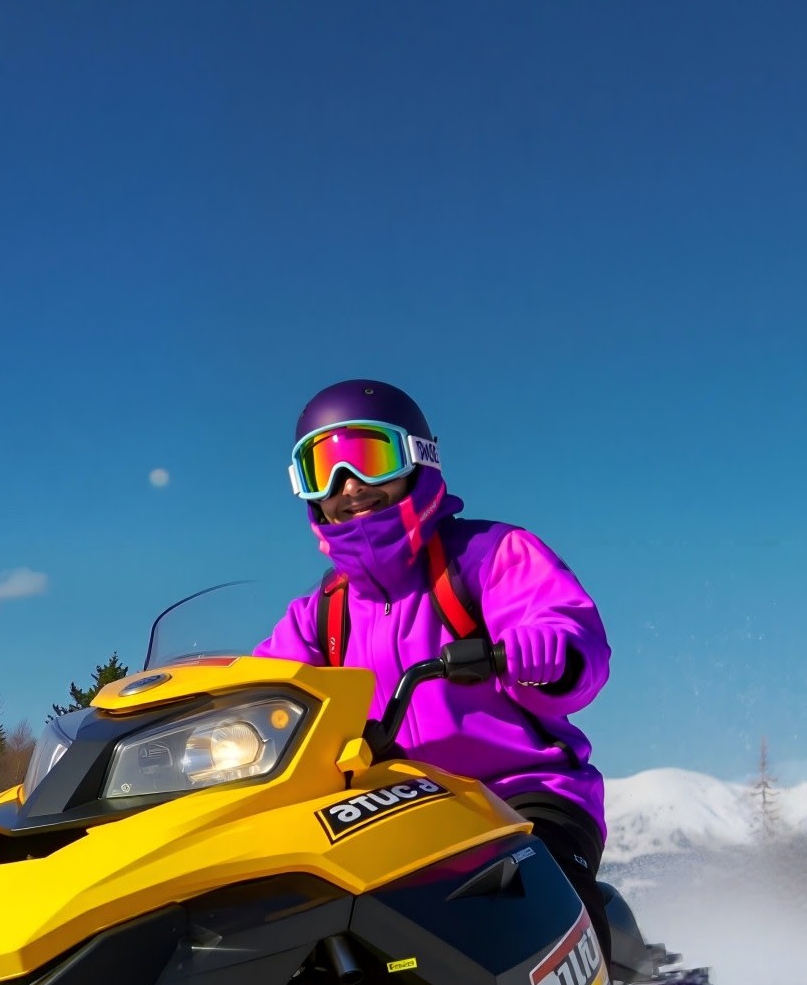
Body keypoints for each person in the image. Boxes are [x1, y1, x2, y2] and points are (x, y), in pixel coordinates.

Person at [254, 378, 616, 952]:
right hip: (387, 811)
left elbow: (568, 632)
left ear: (416, 458)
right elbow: (259, 688)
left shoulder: (490, 556)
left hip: (521, 793)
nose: (348, 486)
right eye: (322, 468)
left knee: (537, 912)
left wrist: (549, 647)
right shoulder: (320, 615)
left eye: (367, 458)